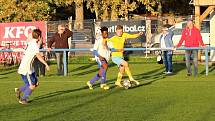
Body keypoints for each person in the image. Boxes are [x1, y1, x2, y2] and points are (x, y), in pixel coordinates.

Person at [15, 29, 50, 105]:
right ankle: (23, 99)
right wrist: (46, 64)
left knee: (35, 83)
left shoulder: (31, 42)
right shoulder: (34, 45)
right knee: (32, 86)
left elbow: (34, 48)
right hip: (26, 68)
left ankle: (19, 90)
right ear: (39, 36)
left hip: (30, 68)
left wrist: (42, 45)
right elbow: (39, 56)